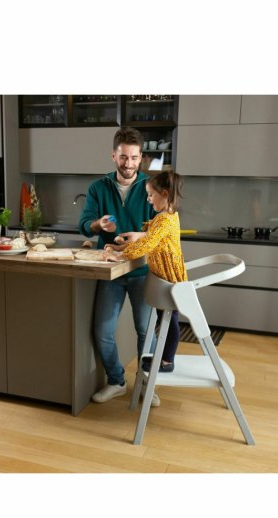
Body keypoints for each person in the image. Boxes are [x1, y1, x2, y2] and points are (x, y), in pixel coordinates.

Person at [78, 126, 158, 405]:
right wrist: (98, 224)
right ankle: (117, 381)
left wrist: (141, 236)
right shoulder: (98, 188)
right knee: (102, 331)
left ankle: (147, 384)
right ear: (113, 156)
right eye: (123, 157)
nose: (128, 163)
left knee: (145, 330)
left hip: (142, 270)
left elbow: (162, 229)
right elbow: (84, 226)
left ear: (141, 158)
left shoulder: (151, 187)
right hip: (110, 271)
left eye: (134, 157)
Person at [103, 170, 187, 374]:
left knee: (169, 321)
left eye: (151, 194)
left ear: (164, 194)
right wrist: (120, 248)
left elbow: (147, 244)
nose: (148, 199)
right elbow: (147, 239)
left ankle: (167, 360)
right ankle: (163, 358)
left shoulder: (164, 220)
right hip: (164, 278)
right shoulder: (165, 216)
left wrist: (120, 257)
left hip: (169, 280)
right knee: (165, 319)